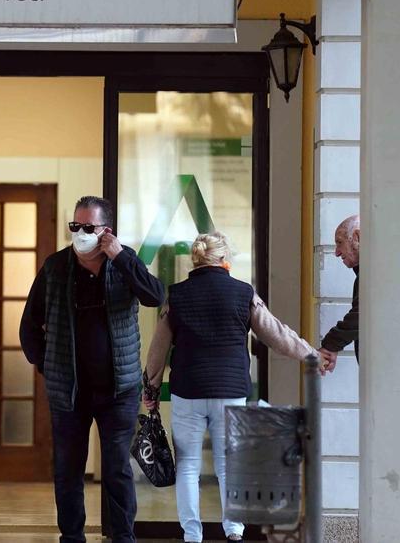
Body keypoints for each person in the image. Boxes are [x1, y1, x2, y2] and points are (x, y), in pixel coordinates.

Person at [142, 231, 327, 543]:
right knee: (229, 467)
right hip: (230, 391)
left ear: (195, 260)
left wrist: (150, 390)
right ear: (224, 259)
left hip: (188, 390)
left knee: (187, 467)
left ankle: (192, 535)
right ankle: (234, 533)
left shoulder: (177, 295)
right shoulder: (243, 293)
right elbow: (276, 334)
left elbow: (158, 350)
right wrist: (311, 355)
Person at [20, 196, 165, 543]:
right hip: (69, 391)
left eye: (88, 228)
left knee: (116, 469)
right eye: (75, 227)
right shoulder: (56, 267)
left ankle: (123, 537)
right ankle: (72, 536)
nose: (80, 234)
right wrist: (46, 364)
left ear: (106, 232)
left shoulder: (123, 264)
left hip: (119, 390)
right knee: (68, 469)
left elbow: (155, 296)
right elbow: (29, 325)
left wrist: (121, 256)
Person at [320, 215, 359, 371]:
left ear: (357, 237)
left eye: (340, 243)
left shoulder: (373, 275)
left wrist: (330, 346)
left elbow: (362, 315)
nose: (336, 253)